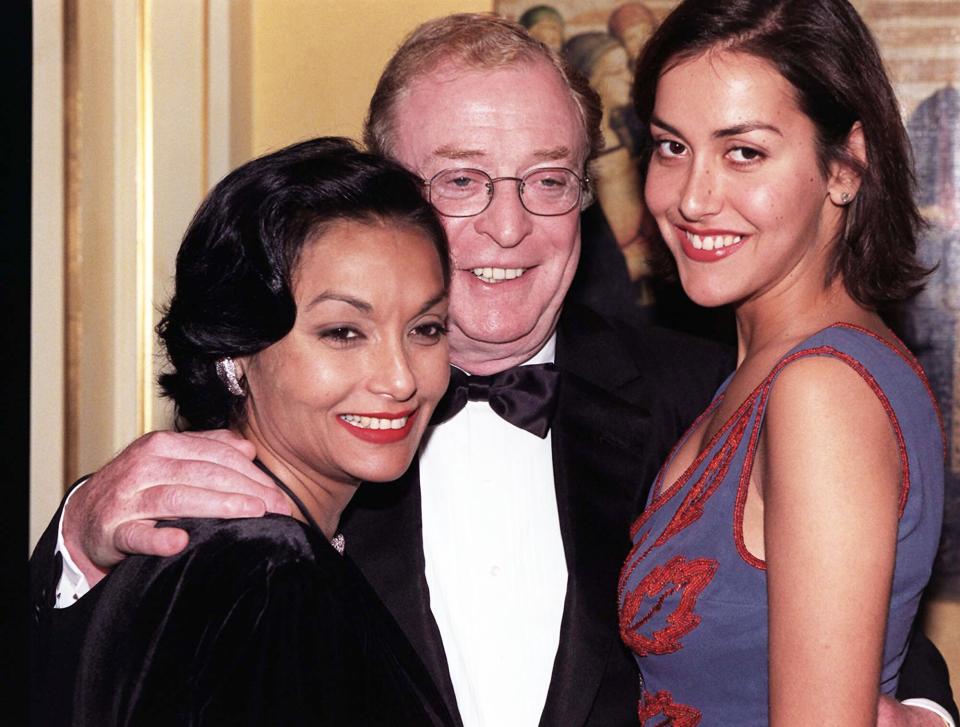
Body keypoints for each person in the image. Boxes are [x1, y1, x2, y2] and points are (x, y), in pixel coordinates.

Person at [30, 12, 955, 727]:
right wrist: (75, 541)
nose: (508, 227)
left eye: (549, 179)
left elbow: (850, 625)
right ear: (381, 189)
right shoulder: (280, 438)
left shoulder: (702, 396)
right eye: (460, 181)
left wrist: (923, 711)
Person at [30, 137, 457, 725]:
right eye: (342, 332)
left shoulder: (225, 547)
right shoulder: (266, 570)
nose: (401, 378)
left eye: (426, 329)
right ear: (235, 349)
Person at [616, 1, 952, 725]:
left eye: (744, 152)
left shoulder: (820, 390)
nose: (694, 197)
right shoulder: (764, 373)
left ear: (845, 165)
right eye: (672, 146)